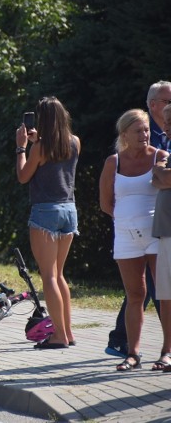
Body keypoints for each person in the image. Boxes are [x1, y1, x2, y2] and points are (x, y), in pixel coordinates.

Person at [106, 81, 170, 357]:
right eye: (167, 101)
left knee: (163, 293)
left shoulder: (161, 148)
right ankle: (128, 348)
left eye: (146, 131)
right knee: (138, 293)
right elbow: (106, 202)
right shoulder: (116, 160)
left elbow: (163, 177)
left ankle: (165, 350)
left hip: (160, 228)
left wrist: (160, 173)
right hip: (128, 234)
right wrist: (125, 220)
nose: (144, 134)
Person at [16, 96, 80, 350]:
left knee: (48, 276)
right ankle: (68, 332)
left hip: (45, 212)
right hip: (69, 209)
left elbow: (23, 176)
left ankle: (59, 336)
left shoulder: (39, 147)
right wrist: (34, 143)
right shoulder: (75, 142)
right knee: (60, 274)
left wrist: (21, 147)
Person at [150, 103, 171, 371]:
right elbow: (158, 177)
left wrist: (162, 174)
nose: (165, 126)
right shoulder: (166, 150)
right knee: (166, 295)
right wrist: (161, 172)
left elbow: (164, 176)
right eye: (165, 121)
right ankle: (167, 348)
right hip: (165, 231)